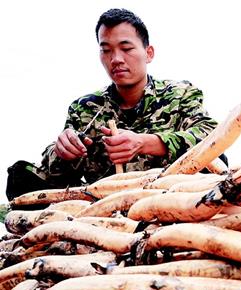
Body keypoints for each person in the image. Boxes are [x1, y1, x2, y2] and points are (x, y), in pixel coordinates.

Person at [6, 8, 225, 201]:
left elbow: (214, 135)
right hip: (104, 210)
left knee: (217, 160)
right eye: (106, 50)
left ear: (148, 54)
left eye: (126, 48)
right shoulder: (85, 108)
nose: (116, 59)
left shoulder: (180, 94)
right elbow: (56, 175)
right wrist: (61, 152)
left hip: (172, 202)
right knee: (21, 176)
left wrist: (145, 142)